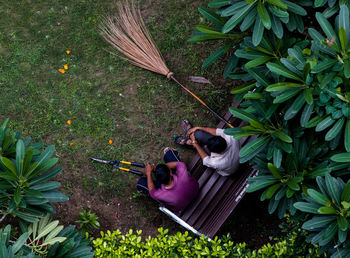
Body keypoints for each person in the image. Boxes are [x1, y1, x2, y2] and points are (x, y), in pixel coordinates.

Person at [136, 148, 199, 212]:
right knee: (169, 153)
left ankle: (142, 192)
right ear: (171, 173)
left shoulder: (160, 194)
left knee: (140, 183)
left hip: (181, 207)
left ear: (159, 182)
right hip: (195, 191)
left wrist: (149, 173)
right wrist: (162, 168)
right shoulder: (182, 171)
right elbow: (178, 164)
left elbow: (151, 189)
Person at [174, 119, 240, 176]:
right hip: (235, 158)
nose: (206, 145)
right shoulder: (231, 137)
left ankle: (191, 143)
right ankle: (191, 134)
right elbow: (217, 132)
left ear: (216, 152)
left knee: (200, 145)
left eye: (207, 147)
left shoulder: (218, 162)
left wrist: (194, 142)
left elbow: (205, 159)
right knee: (199, 134)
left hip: (228, 170)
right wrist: (198, 128)